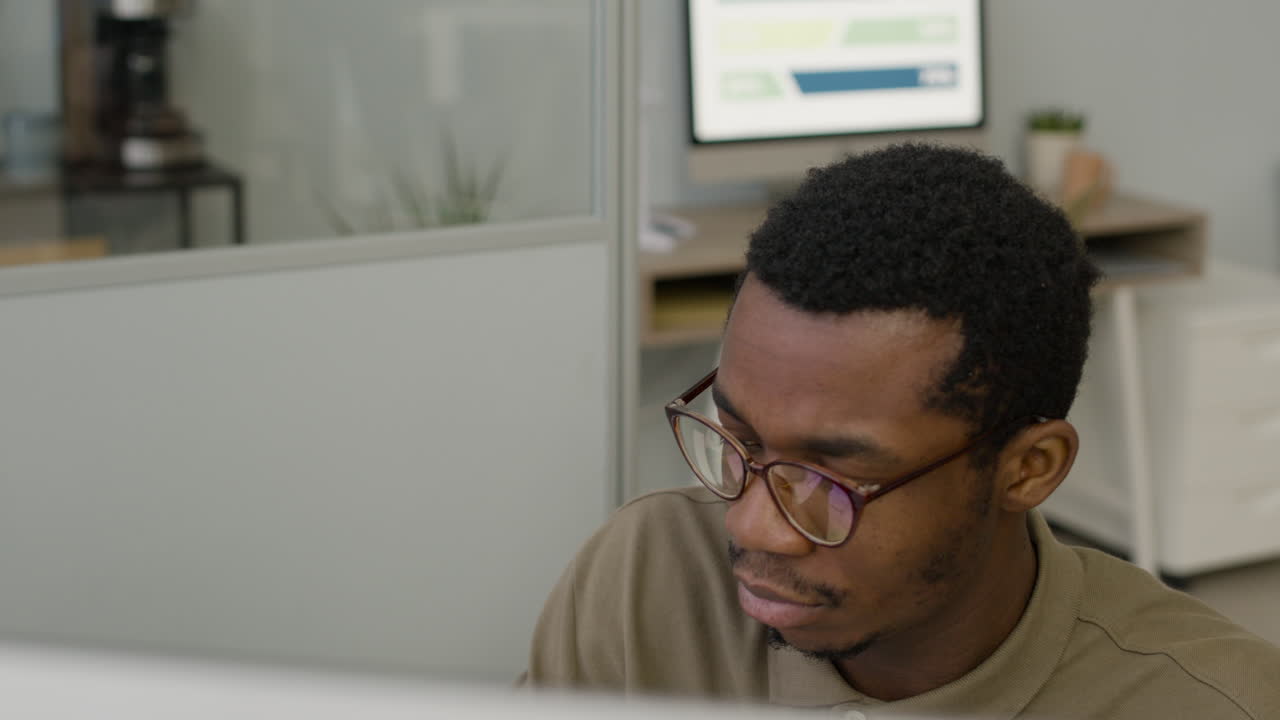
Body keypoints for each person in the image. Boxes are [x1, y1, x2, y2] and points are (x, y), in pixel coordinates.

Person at [520, 144, 1280, 718]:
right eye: (742, 443)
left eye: (833, 476)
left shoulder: (1209, 701)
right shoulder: (642, 576)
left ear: (1029, 468)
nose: (755, 526)